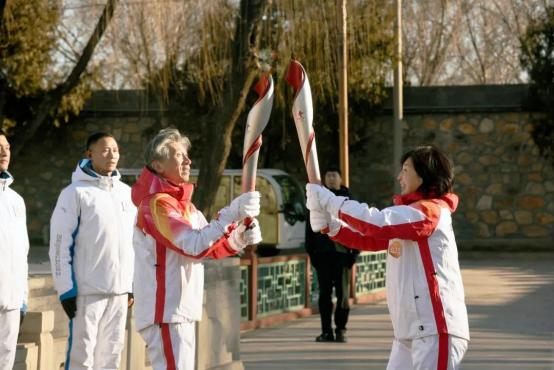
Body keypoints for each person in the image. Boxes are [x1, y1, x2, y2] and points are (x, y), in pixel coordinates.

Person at [306, 145, 469, 370]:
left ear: (424, 175)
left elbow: (377, 223)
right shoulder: (409, 218)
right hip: (408, 332)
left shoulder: (429, 212)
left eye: (405, 170)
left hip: (435, 330)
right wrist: (331, 227)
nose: (399, 176)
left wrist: (331, 201)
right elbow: (369, 238)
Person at [131, 128, 262, 370]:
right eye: (179, 155)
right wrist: (230, 213)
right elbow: (192, 245)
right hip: (165, 312)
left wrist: (240, 237)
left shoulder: (188, 209)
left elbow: (210, 249)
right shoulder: (155, 206)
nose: (188, 160)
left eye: (186, 155)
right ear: (158, 165)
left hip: (181, 310)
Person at [49, 132, 136, 370]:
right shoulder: (74, 193)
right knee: (82, 358)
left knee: (110, 358)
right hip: (86, 292)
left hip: (119, 292)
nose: (112, 155)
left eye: (116, 150)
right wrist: (66, 289)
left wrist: (131, 286)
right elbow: (58, 245)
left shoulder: (126, 194)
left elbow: (134, 243)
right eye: (106, 150)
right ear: (90, 154)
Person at [305, 167, 359, 343]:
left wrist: (354, 254)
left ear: (341, 178)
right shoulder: (317, 199)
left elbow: (357, 227)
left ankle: (341, 329)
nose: (331, 178)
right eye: (328, 175)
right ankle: (326, 331)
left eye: (334, 175)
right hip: (322, 254)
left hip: (343, 254)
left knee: (343, 295)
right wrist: (311, 252)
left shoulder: (348, 199)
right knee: (324, 295)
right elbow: (309, 228)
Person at [0, 131, 29, 370]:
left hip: (10, 303)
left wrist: (22, 299)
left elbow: (22, 254)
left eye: (7, 147)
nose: (4, 152)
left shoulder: (16, 200)